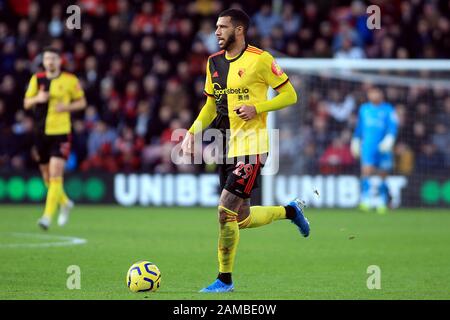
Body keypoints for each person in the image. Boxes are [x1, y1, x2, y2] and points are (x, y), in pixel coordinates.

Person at [181, 8, 310, 293]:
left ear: (239, 30)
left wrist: (258, 107)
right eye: (216, 27)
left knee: (224, 211)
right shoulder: (213, 62)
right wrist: (191, 132)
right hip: (224, 145)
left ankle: (224, 280)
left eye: (222, 27)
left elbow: (290, 95)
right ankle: (290, 211)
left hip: (253, 146)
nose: (216, 32)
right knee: (242, 218)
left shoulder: (261, 59)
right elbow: (211, 106)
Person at [24, 47, 87, 230]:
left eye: (53, 58)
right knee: (46, 176)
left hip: (61, 132)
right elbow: (26, 103)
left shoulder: (70, 80)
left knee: (55, 174)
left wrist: (65, 108)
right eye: (47, 59)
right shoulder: (37, 79)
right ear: (43, 62)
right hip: (40, 132)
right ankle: (65, 203)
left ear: (60, 61)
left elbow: (82, 102)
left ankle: (46, 216)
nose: (50, 61)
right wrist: (37, 98)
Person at [351, 87, 398, 213]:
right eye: (372, 93)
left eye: (376, 92)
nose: (374, 95)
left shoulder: (388, 109)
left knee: (383, 173)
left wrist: (389, 139)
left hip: (383, 146)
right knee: (366, 171)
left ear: (381, 94)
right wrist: (355, 140)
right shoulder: (364, 109)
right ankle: (366, 200)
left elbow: (393, 126)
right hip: (368, 146)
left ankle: (382, 201)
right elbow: (359, 127)